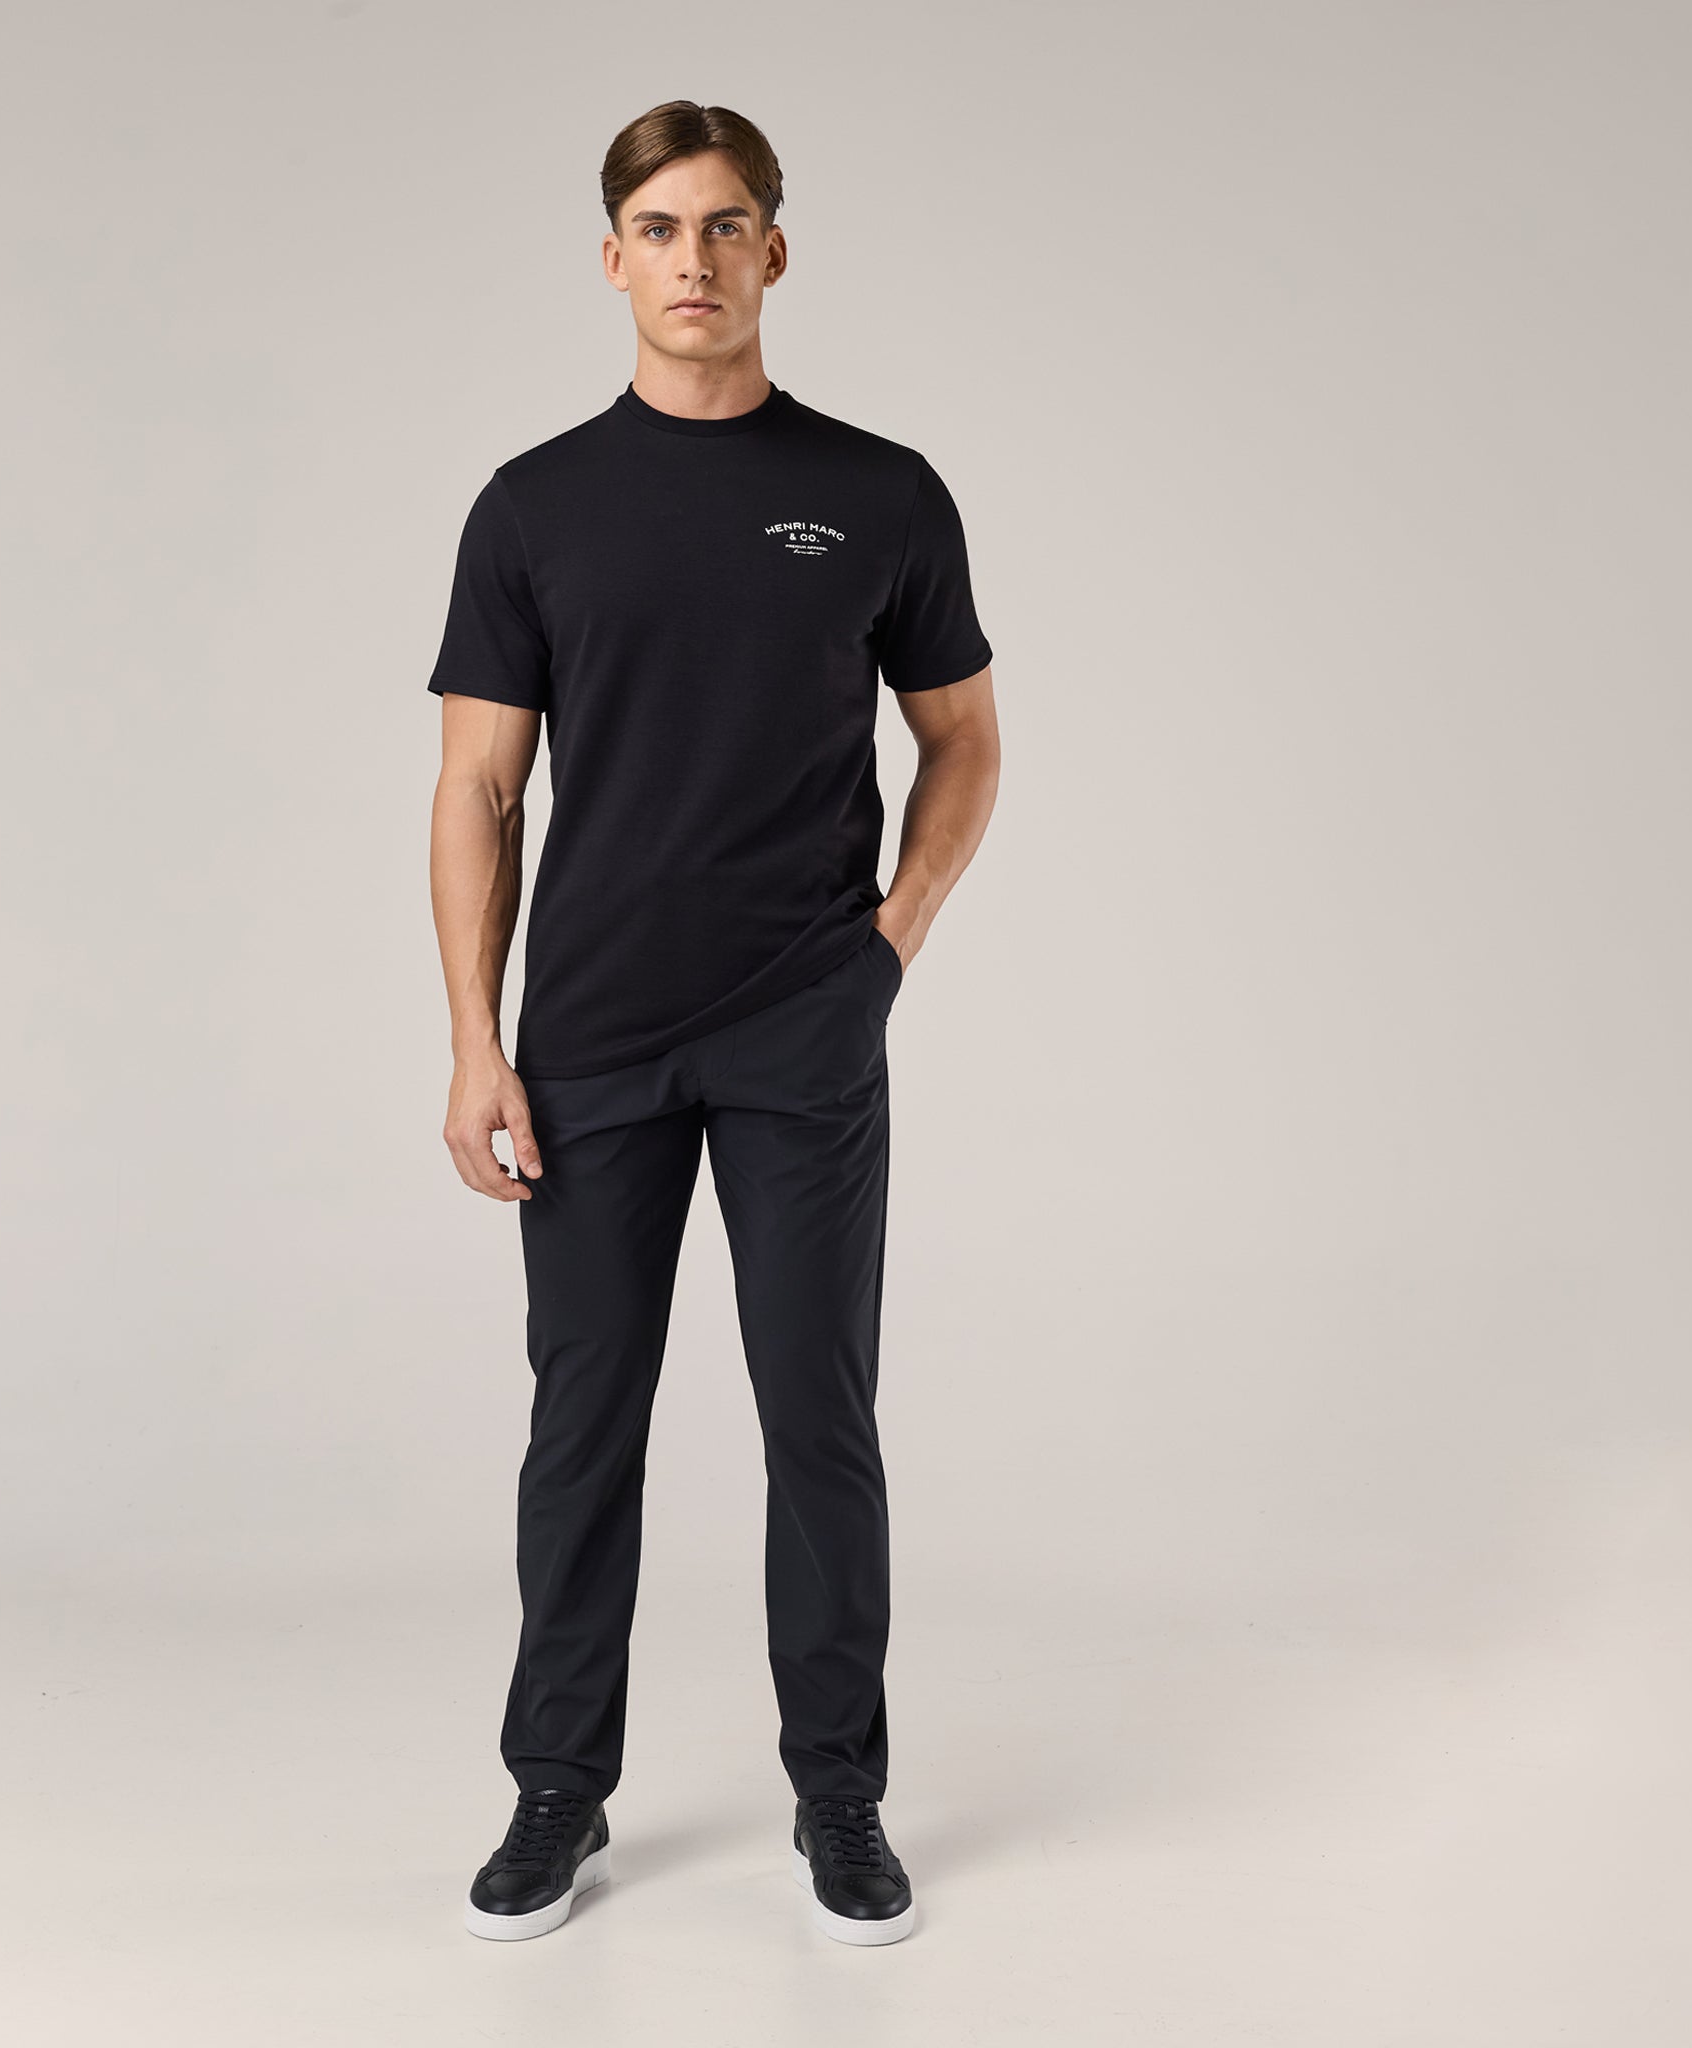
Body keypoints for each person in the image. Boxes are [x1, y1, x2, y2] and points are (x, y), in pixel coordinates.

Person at [427, 99, 1001, 1946]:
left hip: (800, 1034)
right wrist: (476, 1042)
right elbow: (478, 790)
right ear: (615, 260)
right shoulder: (534, 506)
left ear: (776, 252)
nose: (697, 259)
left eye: (728, 225)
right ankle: (556, 1790)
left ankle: (841, 1795)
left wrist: (888, 945)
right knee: (583, 1425)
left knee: (818, 1417)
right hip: (588, 1040)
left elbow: (964, 741)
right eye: (663, 229)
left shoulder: (882, 493)